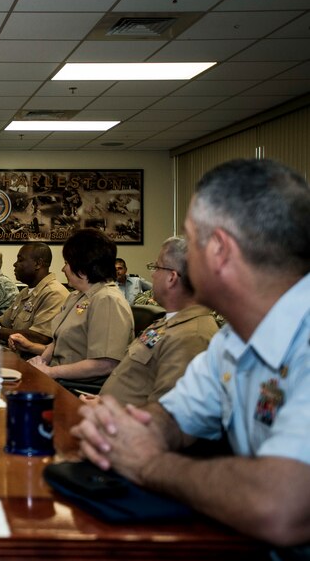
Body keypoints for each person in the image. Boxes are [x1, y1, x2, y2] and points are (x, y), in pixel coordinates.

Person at [72, 158, 310, 547]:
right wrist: (115, 431)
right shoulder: (235, 340)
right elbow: (174, 417)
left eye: (191, 240)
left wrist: (150, 464)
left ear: (218, 250)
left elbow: (281, 507)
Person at [94, 237, 219, 406]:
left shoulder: (191, 337)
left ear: (172, 278)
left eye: (156, 267)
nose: (152, 274)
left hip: (121, 426)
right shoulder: (168, 321)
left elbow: (165, 416)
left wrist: (107, 412)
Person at [25, 229, 133, 387]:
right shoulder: (77, 296)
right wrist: (40, 362)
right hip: (58, 380)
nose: (63, 269)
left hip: (77, 388)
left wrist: (51, 372)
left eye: (67, 263)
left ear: (83, 266)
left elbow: (106, 364)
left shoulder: (108, 300)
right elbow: (58, 342)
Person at [0, 243, 68, 351]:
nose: (14, 264)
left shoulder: (53, 293)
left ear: (38, 264)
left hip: (32, 360)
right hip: (13, 352)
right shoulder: (26, 292)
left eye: (20, 260)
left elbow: (39, 337)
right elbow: (2, 322)